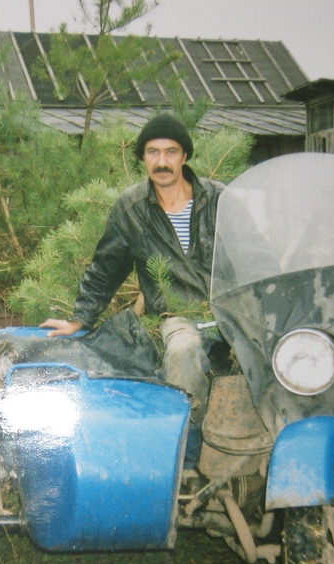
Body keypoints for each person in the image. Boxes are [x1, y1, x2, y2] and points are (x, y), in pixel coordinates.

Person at [40, 113, 224, 439]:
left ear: (184, 156)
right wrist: (80, 318)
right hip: (179, 317)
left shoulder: (219, 199)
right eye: (153, 152)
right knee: (183, 351)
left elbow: (255, 254)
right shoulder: (132, 208)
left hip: (230, 310)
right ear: (142, 157)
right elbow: (106, 267)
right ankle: (185, 451)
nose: (162, 162)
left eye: (171, 152)